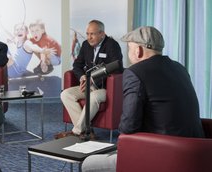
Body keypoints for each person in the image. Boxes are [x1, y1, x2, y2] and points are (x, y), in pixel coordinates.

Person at [81, 26, 204, 172]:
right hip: (198, 153)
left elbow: (128, 126)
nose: (129, 53)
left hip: (164, 153)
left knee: (88, 164)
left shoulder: (135, 73)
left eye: (129, 49)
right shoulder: (179, 68)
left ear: (138, 50)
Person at [54, 20, 124, 139]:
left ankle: (77, 131)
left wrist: (93, 78)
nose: (89, 37)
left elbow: (116, 67)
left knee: (94, 97)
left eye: (92, 34)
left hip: (106, 88)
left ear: (102, 34)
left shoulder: (112, 45)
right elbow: (77, 65)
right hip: (88, 85)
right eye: (87, 34)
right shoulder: (86, 45)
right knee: (66, 94)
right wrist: (82, 76)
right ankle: (86, 130)